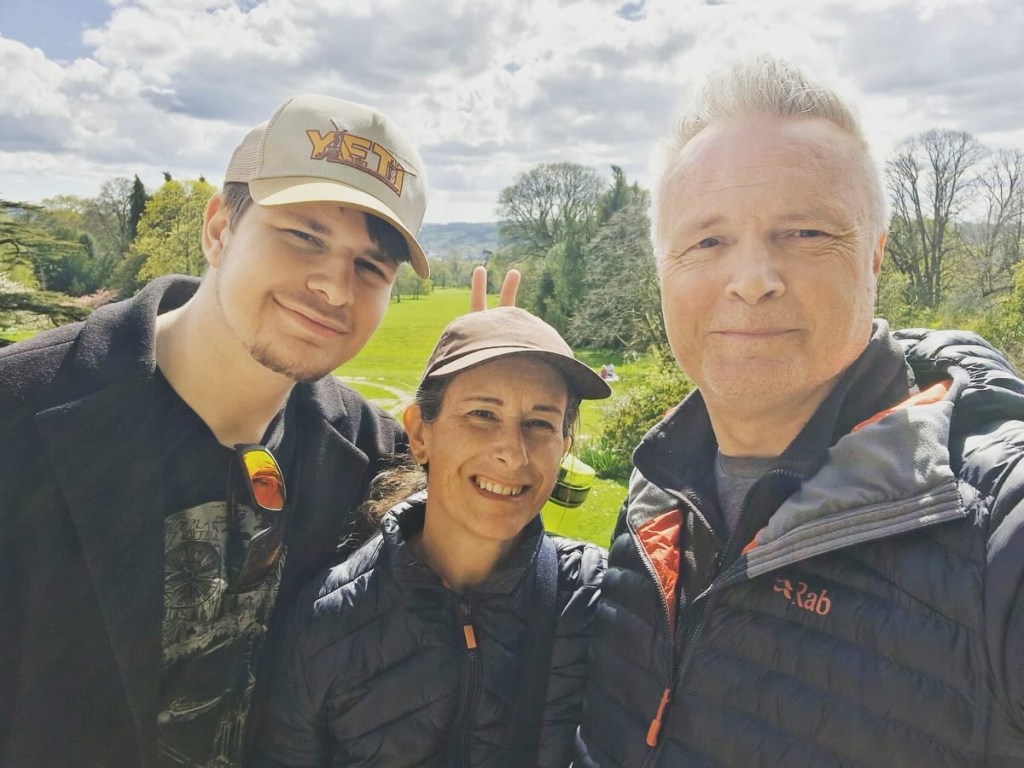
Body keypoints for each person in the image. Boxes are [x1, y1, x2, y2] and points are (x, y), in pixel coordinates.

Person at [0, 93, 514, 768]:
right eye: (304, 235)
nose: (334, 287)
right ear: (219, 228)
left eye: (370, 266)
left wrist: (492, 403)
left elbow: (491, 592)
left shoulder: (369, 455)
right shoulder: (21, 415)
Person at [574, 56, 1024, 766]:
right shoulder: (657, 495)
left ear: (875, 257)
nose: (753, 281)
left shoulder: (989, 518)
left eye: (806, 233)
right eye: (707, 241)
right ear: (663, 270)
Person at [251, 307, 611, 767]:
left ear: (563, 445)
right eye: (483, 413)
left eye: (540, 423)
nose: (512, 453)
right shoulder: (328, 620)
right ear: (420, 434)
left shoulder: (594, 599)